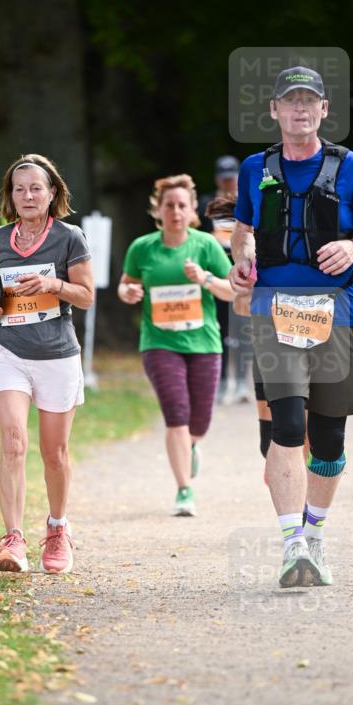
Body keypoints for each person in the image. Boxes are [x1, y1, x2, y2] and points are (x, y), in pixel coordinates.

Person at [229, 66, 353, 588]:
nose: (300, 109)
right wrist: (242, 258)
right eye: (291, 101)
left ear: (324, 110)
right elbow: (241, 230)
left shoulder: (351, 168)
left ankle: (316, 534)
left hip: (339, 311)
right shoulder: (254, 168)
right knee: (284, 425)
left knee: (328, 436)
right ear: (275, 111)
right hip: (273, 310)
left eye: (310, 101)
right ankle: (292, 546)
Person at [0, 154, 94, 574]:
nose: (27, 195)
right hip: (8, 351)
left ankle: (57, 528)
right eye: (19, 188)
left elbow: (86, 295)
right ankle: (13, 540)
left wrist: (52, 284)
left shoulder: (69, 238)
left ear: (52, 193)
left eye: (36, 188)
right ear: (10, 195)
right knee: (12, 440)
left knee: (54, 453)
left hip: (58, 357)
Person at [118, 173, 235, 517]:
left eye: (182, 205)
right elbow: (127, 285)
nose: (176, 211)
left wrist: (205, 278)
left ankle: (192, 446)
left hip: (204, 343)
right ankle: (184, 489)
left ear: (193, 209)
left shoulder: (206, 245)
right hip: (158, 342)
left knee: (199, 423)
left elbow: (232, 290)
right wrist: (128, 292)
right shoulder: (142, 248)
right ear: (159, 209)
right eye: (169, 205)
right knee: (176, 415)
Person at [199, 156, 242, 403]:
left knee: (244, 329)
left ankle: (244, 385)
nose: (228, 181)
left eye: (231, 176)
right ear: (217, 178)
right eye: (224, 177)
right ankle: (221, 381)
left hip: (244, 270)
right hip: (216, 272)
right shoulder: (207, 203)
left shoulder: (247, 201)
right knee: (220, 327)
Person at [206, 195, 253, 404]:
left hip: (250, 287)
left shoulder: (254, 217)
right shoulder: (211, 212)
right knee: (223, 332)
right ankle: (223, 382)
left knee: (244, 335)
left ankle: (242, 383)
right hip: (224, 281)